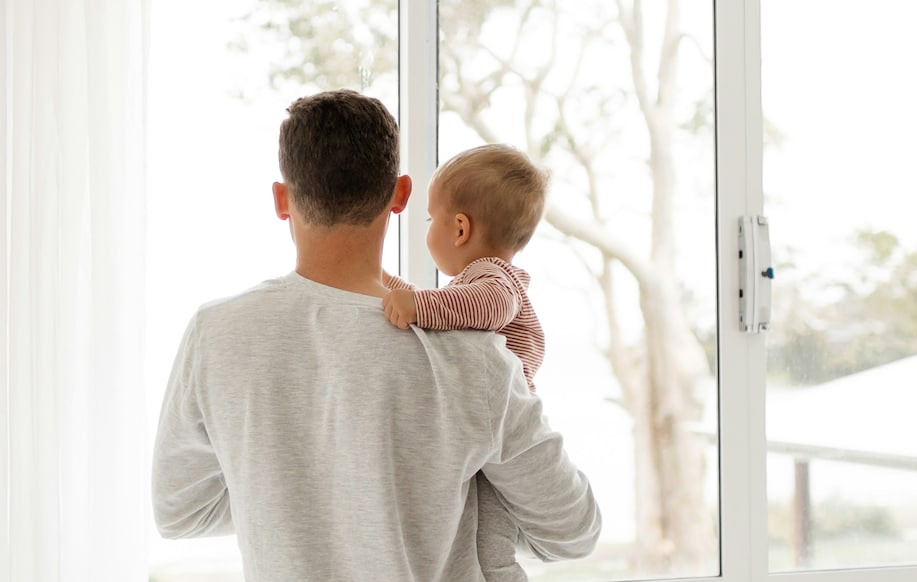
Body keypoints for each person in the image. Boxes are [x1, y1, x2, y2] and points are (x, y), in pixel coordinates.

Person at [150, 89, 601, 581]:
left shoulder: (215, 336)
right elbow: (573, 530)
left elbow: (180, 512)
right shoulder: (476, 355)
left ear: (282, 200)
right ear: (402, 194)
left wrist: (292, 502)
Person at [381, 143, 549, 581]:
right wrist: (379, 282)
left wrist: (416, 304)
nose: (427, 229)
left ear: (459, 229)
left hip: (502, 434)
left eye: (429, 219)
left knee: (492, 546)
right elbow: (448, 306)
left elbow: (481, 307)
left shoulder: (495, 280)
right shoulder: (471, 287)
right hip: (482, 428)